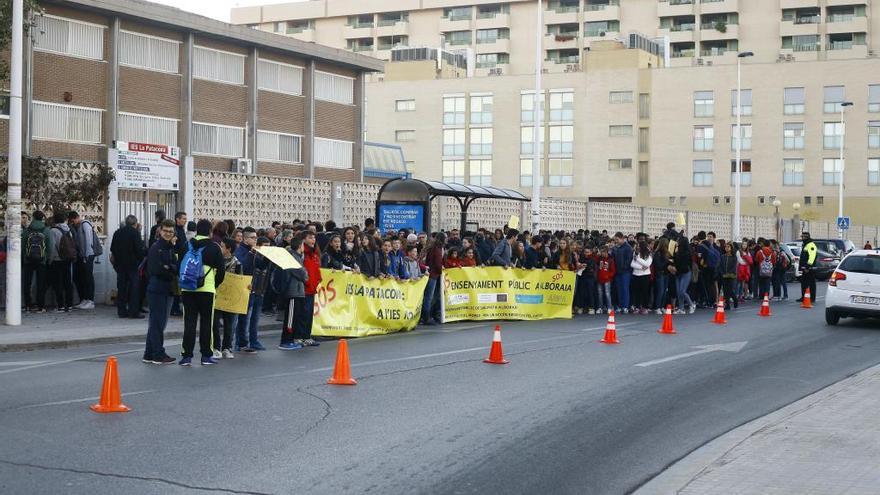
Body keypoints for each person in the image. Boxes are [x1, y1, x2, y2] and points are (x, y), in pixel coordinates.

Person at [179, 219, 225, 366]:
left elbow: (180, 265)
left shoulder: (187, 245)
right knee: (207, 322)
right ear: (210, 231)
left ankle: (186, 356)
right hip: (207, 289)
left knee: (189, 323)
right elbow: (221, 272)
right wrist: (214, 285)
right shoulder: (214, 247)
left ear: (197, 230)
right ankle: (206, 355)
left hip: (188, 288)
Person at [143, 219, 178, 365]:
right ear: (160, 231)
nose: (168, 234)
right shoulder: (156, 247)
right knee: (158, 322)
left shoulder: (170, 247)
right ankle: (158, 354)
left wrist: (169, 268)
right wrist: (170, 269)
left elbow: (175, 266)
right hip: (157, 289)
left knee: (157, 323)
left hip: (167, 289)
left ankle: (149, 353)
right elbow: (156, 269)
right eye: (166, 231)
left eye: (171, 231)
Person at [110, 215, 145, 319]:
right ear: (135, 223)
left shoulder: (117, 232)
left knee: (121, 288)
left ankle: (121, 311)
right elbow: (139, 250)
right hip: (132, 265)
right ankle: (133, 312)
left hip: (120, 265)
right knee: (134, 289)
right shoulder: (135, 233)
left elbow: (113, 249)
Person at [276, 236, 308, 350]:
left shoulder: (298, 256)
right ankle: (285, 341)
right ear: (300, 246)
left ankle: (291, 339)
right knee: (290, 318)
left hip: (298, 291)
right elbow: (302, 273)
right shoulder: (292, 257)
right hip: (292, 291)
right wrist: (304, 273)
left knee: (295, 317)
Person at [214, 238, 241, 359]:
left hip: (231, 297)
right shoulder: (216, 260)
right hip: (217, 295)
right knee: (215, 323)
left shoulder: (237, 263)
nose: (220, 248)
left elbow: (241, 279)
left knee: (229, 324)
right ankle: (216, 347)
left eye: (222, 246)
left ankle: (227, 347)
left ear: (229, 249)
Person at [22, 210, 53, 313]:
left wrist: (23, 258)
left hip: (28, 260)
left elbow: (22, 246)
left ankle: (28, 305)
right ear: (42, 218)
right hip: (42, 261)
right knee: (41, 283)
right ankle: (41, 306)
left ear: (34, 218)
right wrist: (49, 258)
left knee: (27, 283)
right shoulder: (46, 230)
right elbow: (50, 246)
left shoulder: (27, 230)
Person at [48, 212, 76, 312]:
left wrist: (50, 260)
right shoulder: (69, 229)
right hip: (67, 259)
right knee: (68, 282)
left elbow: (51, 247)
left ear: (55, 220)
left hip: (57, 259)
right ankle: (70, 305)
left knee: (58, 283)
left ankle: (60, 306)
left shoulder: (53, 231)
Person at [299, 231, 322, 346]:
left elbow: (316, 269)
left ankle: (307, 336)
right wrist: (307, 282)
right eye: (310, 237)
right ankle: (301, 337)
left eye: (314, 238)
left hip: (312, 288)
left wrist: (318, 279)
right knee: (303, 314)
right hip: (304, 288)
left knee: (309, 315)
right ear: (303, 239)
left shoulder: (314, 254)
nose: (313, 240)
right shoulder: (302, 254)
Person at [420, 232, 445, 325]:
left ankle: (425, 316)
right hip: (433, 274)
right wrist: (441, 271)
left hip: (429, 272)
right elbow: (438, 263)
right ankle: (426, 317)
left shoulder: (431, 247)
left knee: (428, 296)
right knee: (429, 297)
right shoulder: (438, 248)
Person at [170, 212, 188, 316]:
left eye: (185, 219)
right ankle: (174, 308)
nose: (185, 221)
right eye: (183, 219)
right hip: (177, 261)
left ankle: (175, 307)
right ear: (177, 219)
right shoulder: (176, 231)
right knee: (176, 286)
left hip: (181, 260)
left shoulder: (181, 230)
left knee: (178, 286)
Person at [611, 232, 633, 314]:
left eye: (617, 239)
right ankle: (620, 306)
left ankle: (625, 306)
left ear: (622, 238)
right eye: (615, 240)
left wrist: (624, 267)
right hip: (617, 272)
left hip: (625, 272)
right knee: (619, 289)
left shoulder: (628, 248)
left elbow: (629, 260)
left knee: (625, 289)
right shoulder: (615, 248)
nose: (616, 241)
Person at [630, 241, 653, 315]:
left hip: (645, 275)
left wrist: (638, 259)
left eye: (639, 246)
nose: (637, 247)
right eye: (637, 246)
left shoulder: (648, 254)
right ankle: (637, 307)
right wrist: (641, 267)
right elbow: (632, 264)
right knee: (636, 292)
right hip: (636, 274)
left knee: (645, 292)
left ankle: (645, 307)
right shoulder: (635, 253)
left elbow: (647, 264)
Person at [797, 232, 818, 304]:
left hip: (809, 269)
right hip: (804, 268)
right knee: (804, 283)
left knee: (811, 283)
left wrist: (807, 267)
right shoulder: (805, 244)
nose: (802, 238)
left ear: (806, 237)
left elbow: (812, 257)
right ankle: (804, 297)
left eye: (803, 237)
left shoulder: (811, 245)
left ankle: (812, 298)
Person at [652, 238, 670, 314]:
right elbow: (658, 265)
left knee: (665, 291)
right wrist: (667, 261)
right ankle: (657, 307)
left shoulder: (667, 253)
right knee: (660, 291)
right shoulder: (657, 253)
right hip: (660, 273)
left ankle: (662, 306)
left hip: (666, 273)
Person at [596, 247, 615, 314]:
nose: (602, 253)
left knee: (607, 293)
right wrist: (597, 255)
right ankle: (600, 307)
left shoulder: (611, 260)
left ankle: (609, 307)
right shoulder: (599, 258)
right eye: (601, 252)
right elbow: (595, 263)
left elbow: (613, 271)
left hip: (607, 279)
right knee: (600, 294)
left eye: (603, 252)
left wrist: (608, 276)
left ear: (607, 252)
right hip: (599, 279)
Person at [719, 241, 738, 310]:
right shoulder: (723, 256)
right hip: (724, 276)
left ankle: (735, 300)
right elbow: (720, 266)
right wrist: (722, 273)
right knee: (725, 290)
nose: (726, 248)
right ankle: (727, 305)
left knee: (730, 290)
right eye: (725, 247)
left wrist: (729, 274)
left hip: (731, 276)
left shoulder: (734, 257)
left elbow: (734, 267)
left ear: (731, 248)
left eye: (728, 247)